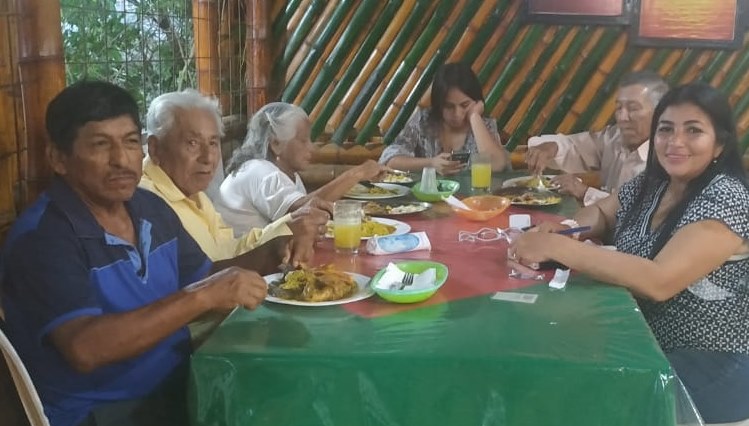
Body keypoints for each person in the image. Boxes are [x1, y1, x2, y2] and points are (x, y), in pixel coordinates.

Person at [0, 81, 285, 426]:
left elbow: (205, 276)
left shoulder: (150, 208)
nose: (121, 159)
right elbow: (86, 348)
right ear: (58, 158)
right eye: (100, 144)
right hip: (102, 417)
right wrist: (203, 295)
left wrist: (273, 252)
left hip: (176, 383)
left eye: (130, 142)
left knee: (281, 419)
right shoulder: (43, 239)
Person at [511, 83, 749, 424]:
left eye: (693, 130)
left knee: (570, 393)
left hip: (713, 364)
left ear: (719, 144)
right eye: (665, 130)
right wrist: (567, 229)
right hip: (644, 339)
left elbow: (659, 281)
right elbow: (604, 212)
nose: (675, 141)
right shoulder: (655, 183)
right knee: (545, 349)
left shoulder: (726, 197)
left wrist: (560, 247)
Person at [141, 89, 328, 265]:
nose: (208, 158)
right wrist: (285, 233)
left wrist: (288, 227)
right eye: (192, 143)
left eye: (213, 143)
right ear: (155, 148)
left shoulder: (193, 194)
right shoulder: (146, 204)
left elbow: (229, 250)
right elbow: (203, 274)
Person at [210, 102, 387, 235]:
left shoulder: (285, 174)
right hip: (242, 266)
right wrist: (357, 173)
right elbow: (303, 212)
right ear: (276, 144)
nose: (312, 148)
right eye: (303, 140)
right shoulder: (261, 172)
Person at [526, 71, 669, 205]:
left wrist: (584, 193)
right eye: (619, 108)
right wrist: (550, 148)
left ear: (660, 113)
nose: (622, 117)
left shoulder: (669, 160)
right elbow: (576, 148)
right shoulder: (614, 138)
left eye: (633, 108)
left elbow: (638, 212)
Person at [378, 61, 510, 175]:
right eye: (449, 106)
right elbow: (390, 160)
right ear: (438, 104)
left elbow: (497, 165)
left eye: (465, 105)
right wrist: (431, 163)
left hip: (475, 196)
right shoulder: (423, 121)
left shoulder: (484, 125)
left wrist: (475, 117)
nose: (457, 114)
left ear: (476, 102)